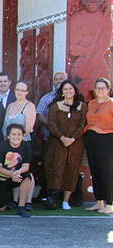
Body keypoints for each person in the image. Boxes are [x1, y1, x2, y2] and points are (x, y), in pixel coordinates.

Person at [43, 80, 87, 210]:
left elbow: (83, 124)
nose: (68, 91)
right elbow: (51, 124)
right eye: (65, 89)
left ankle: (66, 201)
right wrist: (62, 138)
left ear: (74, 91)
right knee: (56, 168)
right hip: (57, 142)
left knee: (72, 169)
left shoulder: (83, 106)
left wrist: (72, 138)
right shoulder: (55, 106)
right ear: (61, 92)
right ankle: (53, 198)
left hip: (76, 144)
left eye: (70, 89)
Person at [85, 78, 113, 214]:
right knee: (94, 170)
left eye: (103, 88)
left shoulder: (111, 103)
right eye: (98, 88)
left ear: (108, 89)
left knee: (106, 172)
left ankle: (110, 204)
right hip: (91, 139)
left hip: (106, 140)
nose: (100, 90)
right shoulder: (91, 103)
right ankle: (99, 202)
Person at [0, 123, 33, 218]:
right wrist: (12, 174)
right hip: (3, 177)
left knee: (27, 176)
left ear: (23, 135)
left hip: (17, 175)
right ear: (8, 136)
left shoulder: (26, 146)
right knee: (1, 209)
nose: (16, 137)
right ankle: (5, 198)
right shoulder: (2, 145)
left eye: (19, 134)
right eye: (13, 134)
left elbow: (26, 166)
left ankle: (21, 207)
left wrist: (18, 172)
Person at [36, 71, 68, 142]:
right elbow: (40, 114)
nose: (58, 81)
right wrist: (52, 127)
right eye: (56, 79)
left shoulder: (71, 97)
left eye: (61, 79)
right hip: (49, 138)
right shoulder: (46, 98)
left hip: (68, 139)